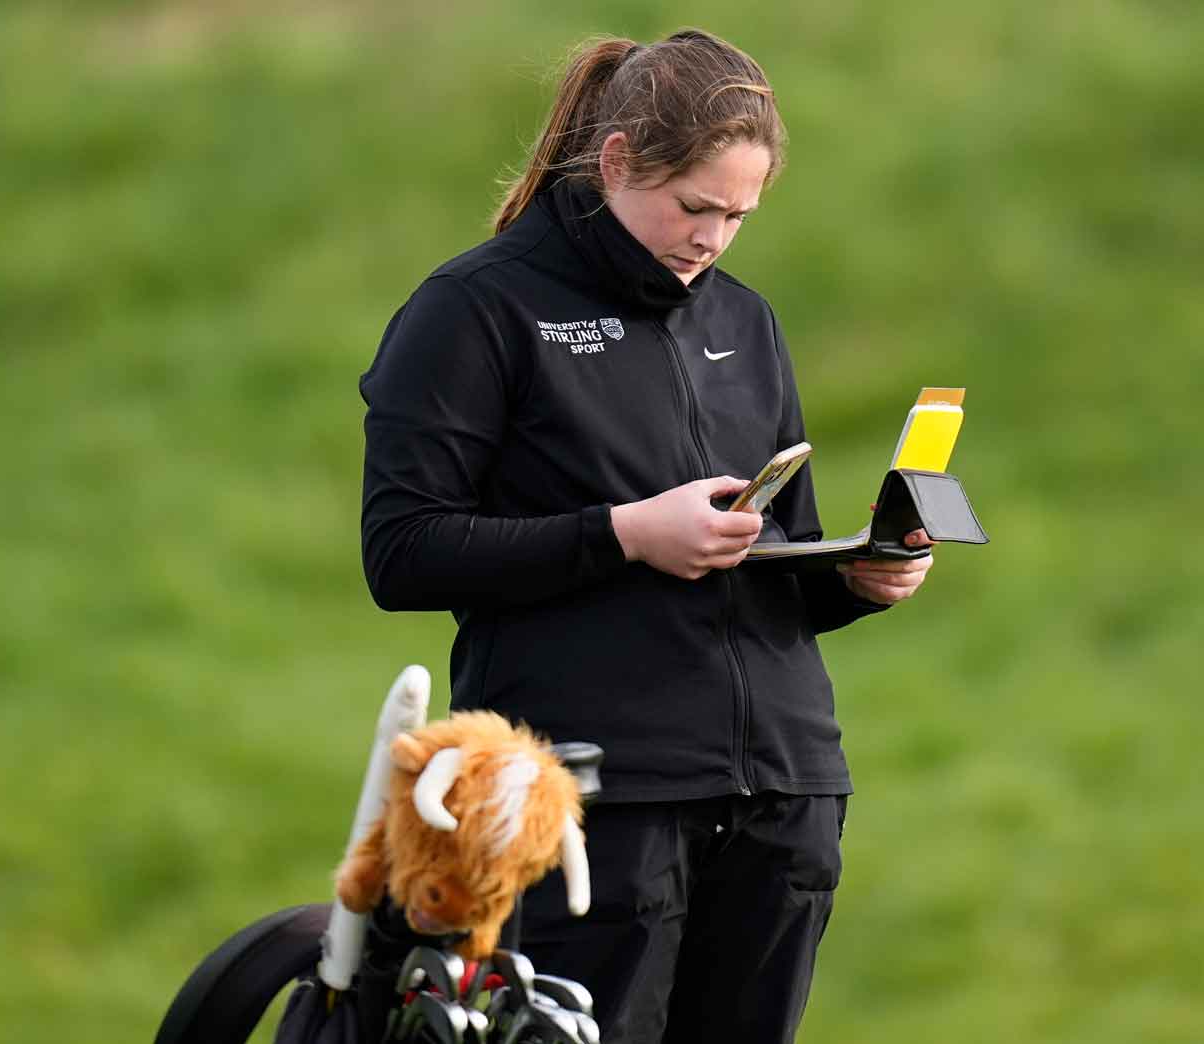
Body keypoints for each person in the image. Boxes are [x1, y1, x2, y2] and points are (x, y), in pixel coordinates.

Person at [357, 29, 933, 1044]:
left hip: (783, 790)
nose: (711, 238)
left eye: (737, 216)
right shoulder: (474, 310)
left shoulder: (745, 323)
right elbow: (401, 551)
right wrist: (621, 534)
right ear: (617, 161)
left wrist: (858, 578)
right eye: (693, 207)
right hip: (590, 802)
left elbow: (769, 560)